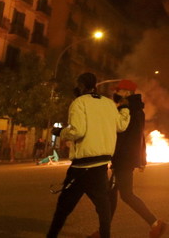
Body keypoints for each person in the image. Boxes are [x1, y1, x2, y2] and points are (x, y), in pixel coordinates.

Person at [46, 72, 130, 238]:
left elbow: (78, 131)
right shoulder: (108, 103)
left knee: (63, 209)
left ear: (82, 85)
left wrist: (60, 132)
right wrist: (125, 108)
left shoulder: (79, 103)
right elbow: (121, 125)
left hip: (81, 167)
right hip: (100, 167)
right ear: (95, 86)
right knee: (103, 209)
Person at [89, 79, 167, 238]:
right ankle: (104, 232)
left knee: (126, 195)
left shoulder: (129, 110)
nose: (114, 94)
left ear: (126, 93)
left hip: (123, 158)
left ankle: (155, 223)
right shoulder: (136, 109)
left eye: (118, 91)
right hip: (125, 158)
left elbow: (124, 137)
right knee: (112, 195)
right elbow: (138, 137)